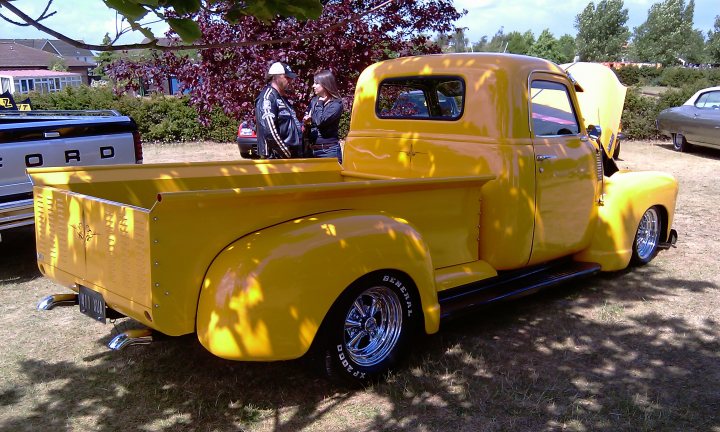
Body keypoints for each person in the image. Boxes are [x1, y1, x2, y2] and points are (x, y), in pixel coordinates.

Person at [255, 61, 303, 159]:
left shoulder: (282, 98)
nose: (290, 80)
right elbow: (269, 130)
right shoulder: (267, 97)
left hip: (287, 156)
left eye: (291, 78)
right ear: (275, 77)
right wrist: (286, 153)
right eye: (286, 77)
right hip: (275, 158)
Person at [303, 70, 344, 162]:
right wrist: (306, 122)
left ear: (325, 85)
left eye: (316, 83)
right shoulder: (314, 101)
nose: (313, 86)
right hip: (312, 151)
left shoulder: (336, 104)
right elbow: (308, 120)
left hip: (329, 152)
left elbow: (320, 121)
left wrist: (320, 103)